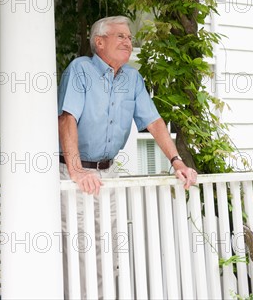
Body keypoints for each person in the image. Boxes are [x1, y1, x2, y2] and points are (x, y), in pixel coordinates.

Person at [58, 16, 197, 297]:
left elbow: (154, 122)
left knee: (108, 246)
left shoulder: (133, 78)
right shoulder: (80, 70)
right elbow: (67, 118)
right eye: (121, 36)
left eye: (130, 37)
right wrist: (76, 170)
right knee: (79, 246)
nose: (128, 41)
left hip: (108, 174)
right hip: (74, 174)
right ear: (100, 42)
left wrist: (176, 161)